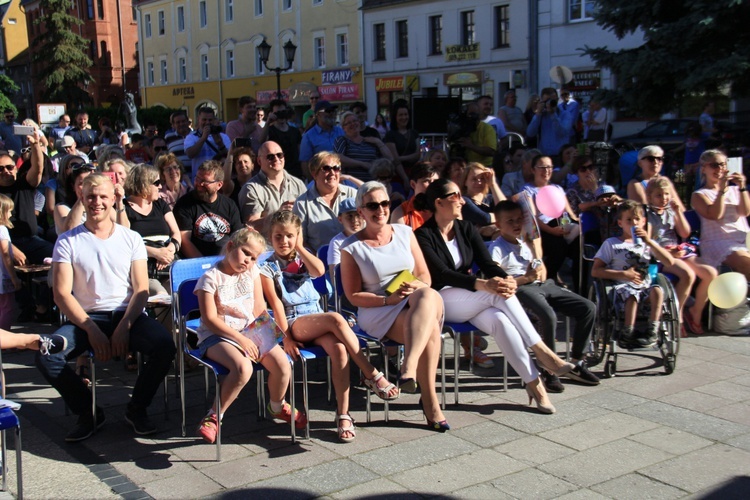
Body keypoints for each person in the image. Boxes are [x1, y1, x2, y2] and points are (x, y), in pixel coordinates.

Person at [414, 179, 576, 414]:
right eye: (455, 196)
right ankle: (542, 351)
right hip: (441, 298)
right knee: (496, 295)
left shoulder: (466, 228)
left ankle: (535, 386)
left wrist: (504, 278)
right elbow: (443, 274)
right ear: (439, 202)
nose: (462, 200)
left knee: (501, 321)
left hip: (472, 296)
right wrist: (483, 284)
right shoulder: (423, 234)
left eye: (461, 194)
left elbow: (488, 263)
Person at [36, 174, 176, 441]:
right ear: (82, 198)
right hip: (86, 318)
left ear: (113, 199)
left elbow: (141, 290)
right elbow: (61, 293)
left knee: (165, 345)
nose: (96, 202)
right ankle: (88, 413)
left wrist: (124, 327)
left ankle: (137, 408)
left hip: (128, 315)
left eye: (103, 196)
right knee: (46, 355)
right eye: (90, 196)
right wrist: (91, 330)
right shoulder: (67, 241)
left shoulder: (131, 238)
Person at [260, 211, 400, 442]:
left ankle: (344, 415)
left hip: (316, 317)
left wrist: (301, 248)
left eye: (289, 236)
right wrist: (286, 338)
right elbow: (275, 306)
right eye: (278, 237)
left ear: (298, 236)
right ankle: (371, 373)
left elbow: (319, 271)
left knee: (339, 350)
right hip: (294, 322)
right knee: (336, 318)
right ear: (270, 237)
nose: (284, 241)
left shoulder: (303, 258)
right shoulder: (267, 268)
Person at [340, 181, 448, 430]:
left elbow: (424, 275)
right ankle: (430, 401)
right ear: (361, 212)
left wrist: (410, 288)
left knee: (427, 294)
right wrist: (389, 299)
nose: (380, 209)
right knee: (430, 328)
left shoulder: (405, 233)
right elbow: (353, 296)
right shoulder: (352, 248)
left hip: (413, 301)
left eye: (385, 203)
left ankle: (408, 366)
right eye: (372, 205)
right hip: (378, 309)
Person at [192, 228, 305, 444]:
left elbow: (259, 309)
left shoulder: (251, 272)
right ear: (231, 246)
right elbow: (210, 319)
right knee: (243, 368)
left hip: (249, 330)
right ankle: (214, 416)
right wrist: (241, 339)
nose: (248, 261)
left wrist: (275, 338)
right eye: (246, 253)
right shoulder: (210, 278)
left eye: (253, 258)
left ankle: (277, 406)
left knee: (283, 364)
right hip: (217, 336)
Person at [490, 200, 600, 391]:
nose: (516, 224)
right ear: (498, 225)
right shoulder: (496, 248)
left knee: (587, 307)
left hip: (543, 284)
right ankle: (549, 369)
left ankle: (577, 362)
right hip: (521, 289)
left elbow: (540, 268)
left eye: (519, 220)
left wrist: (534, 252)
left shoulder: (525, 242)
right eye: (510, 221)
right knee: (547, 315)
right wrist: (525, 278)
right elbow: (498, 284)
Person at [591, 200, 675, 348]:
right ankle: (627, 332)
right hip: (622, 287)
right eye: (628, 220)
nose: (633, 223)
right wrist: (623, 274)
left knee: (657, 290)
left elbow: (669, 262)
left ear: (643, 221)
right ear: (620, 223)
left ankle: (653, 331)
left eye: (637, 219)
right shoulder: (611, 243)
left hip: (645, 287)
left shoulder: (647, 244)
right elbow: (596, 270)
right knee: (631, 293)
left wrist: (649, 241)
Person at [646, 177, 717, 335]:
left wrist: (678, 212)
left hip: (677, 250)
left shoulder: (670, 211)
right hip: (660, 254)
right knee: (688, 274)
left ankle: (695, 311)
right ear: (649, 196)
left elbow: (685, 233)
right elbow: (647, 243)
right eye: (658, 195)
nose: (663, 198)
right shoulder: (647, 215)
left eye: (666, 194)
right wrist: (668, 253)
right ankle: (675, 315)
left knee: (710, 274)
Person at [520, 155, 581, 291]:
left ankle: (579, 287)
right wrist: (551, 230)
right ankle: (548, 279)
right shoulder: (527, 190)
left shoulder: (558, 188)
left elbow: (567, 212)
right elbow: (533, 218)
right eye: (542, 167)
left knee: (579, 247)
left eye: (549, 167)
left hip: (562, 225)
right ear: (533, 170)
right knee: (558, 247)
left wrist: (572, 224)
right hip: (543, 231)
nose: (546, 170)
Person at [121, 164, 181, 295]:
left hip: (169, 265)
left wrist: (167, 252)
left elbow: (176, 233)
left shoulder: (160, 204)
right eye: (157, 183)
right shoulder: (124, 209)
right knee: (162, 297)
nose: (160, 187)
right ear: (144, 184)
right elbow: (124, 241)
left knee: (182, 296)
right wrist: (155, 253)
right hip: (144, 270)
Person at [691, 149, 750, 279]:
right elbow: (715, 215)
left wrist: (742, 187)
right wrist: (721, 191)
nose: (719, 169)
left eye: (722, 164)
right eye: (714, 165)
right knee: (747, 265)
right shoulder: (699, 195)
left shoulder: (735, 190)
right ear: (704, 168)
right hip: (719, 242)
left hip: (742, 237)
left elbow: (745, 212)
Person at [173, 160, 243, 258]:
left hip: (226, 259)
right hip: (198, 261)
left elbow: (237, 236)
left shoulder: (229, 205)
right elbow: (184, 240)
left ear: (219, 185)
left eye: (205, 182)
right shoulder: (184, 204)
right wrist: (203, 264)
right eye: (197, 179)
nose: (199, 184)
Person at [293, 151, 357, 252]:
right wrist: (317, 260)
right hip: (321, 262)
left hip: (354, 257)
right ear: (314, 173)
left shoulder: (353, 194)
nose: (332, 173)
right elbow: (300, 240)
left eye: (336, 168)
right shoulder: (302, 203)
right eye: (326, 168)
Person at [239, 141, 306, 236]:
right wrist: (278, 215)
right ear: (259, 161)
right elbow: (251, 226)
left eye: (279, 155)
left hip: (296, 243)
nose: (276, 159)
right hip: (267, 247)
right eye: (270, 157)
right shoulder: (251, 189)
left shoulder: (298, 184)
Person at [334, 111, 393, 182]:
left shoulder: (370, 141)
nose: (353, 124)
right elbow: (338, 158)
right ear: (343, 128)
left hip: (372, 184)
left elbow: (390, 158)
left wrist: (379, 142)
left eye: (355, 121)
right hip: (351, 184)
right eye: (349, 123)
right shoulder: (342, 140)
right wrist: (362, 164)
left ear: (359, 123)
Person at [627, 146, 684, 211]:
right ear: (640, 163)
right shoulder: (635, 184)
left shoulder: (665, 181)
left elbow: (681, 209)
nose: (656, 162)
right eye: (651, 159)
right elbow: (642, 211)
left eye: (659, 159)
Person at [299, 100, 345, 180]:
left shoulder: (340, 131)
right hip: (322, 180)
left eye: (333, 111)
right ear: (318, 115)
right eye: (328, 111)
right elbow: (305, 163)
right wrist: (314, 182)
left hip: (342, 178)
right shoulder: (308, 136)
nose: (331, 113)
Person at [460, 162, 506, 239]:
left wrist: (493, 184)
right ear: (465, 182)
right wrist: (502, 220)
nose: (479, 182)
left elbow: (506, 209)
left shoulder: (490, 198)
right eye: (474, 179)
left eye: (482, 178)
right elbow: (485, 218)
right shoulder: (464, 200)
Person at [184, 107, 231, 181]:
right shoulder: (191, 137)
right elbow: (190, 154)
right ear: (198, 120)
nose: (207, 122)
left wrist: (220, 144)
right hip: (200, 179)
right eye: (204, 120)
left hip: (218, 178)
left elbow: (229, 157)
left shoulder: (223, 137)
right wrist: (203, 138)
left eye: (210, 120)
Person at [260, 99, 303, 180]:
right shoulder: (270, 130)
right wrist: (268, 122)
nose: (281, 115)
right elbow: (261, 141)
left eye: (283, 112)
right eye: (278, 113)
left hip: (295, 173)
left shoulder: (295, 131)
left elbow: (299, 152)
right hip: (276, 172)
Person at [390, 161, 439, 230]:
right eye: (427, 181)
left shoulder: (445, 207)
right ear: (413, 184)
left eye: (436, 181)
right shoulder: (400, 213)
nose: (432, 185)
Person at [526, 88, 573, 156]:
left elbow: (563, 132)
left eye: (552, 101)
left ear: (557, 100)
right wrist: (538, 114)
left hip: (560, 155)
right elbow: (530, 133)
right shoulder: (541, 115)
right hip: (544, 154)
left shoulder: (565, 114)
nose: (549, 104)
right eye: (547, 101)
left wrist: (553, 115)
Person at [384, 100, 420, 180]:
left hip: (414, 174)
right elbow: (395, 161)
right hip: (397, 175)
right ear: (395, 117)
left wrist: (400, 158)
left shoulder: (414, 133)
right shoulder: (390, 135)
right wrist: (405, 179)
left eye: (406, 114)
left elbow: (417, 155)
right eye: (400, 115)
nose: (404, 117)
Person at [0, 194, 21, 329]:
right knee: (9, 308)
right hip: (3, 276)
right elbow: (6, 253)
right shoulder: (2, 229)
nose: (10, 214)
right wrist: (14, 277)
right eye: (9, 211)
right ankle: (4, 339)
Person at [457, 101, 497, 168]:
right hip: (464, 166)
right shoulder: (460, 128)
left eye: (474, 114)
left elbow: (491, 151)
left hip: (483, 166)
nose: (472, 117)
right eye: (470, 115)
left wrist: (471, 146)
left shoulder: (487, 128)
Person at [326, 197, 362, 268]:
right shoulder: (337, 243)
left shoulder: (371, 237)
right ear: (340, 219)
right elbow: (335, 274)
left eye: (358, 215)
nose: (354, 220)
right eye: (349, 216)